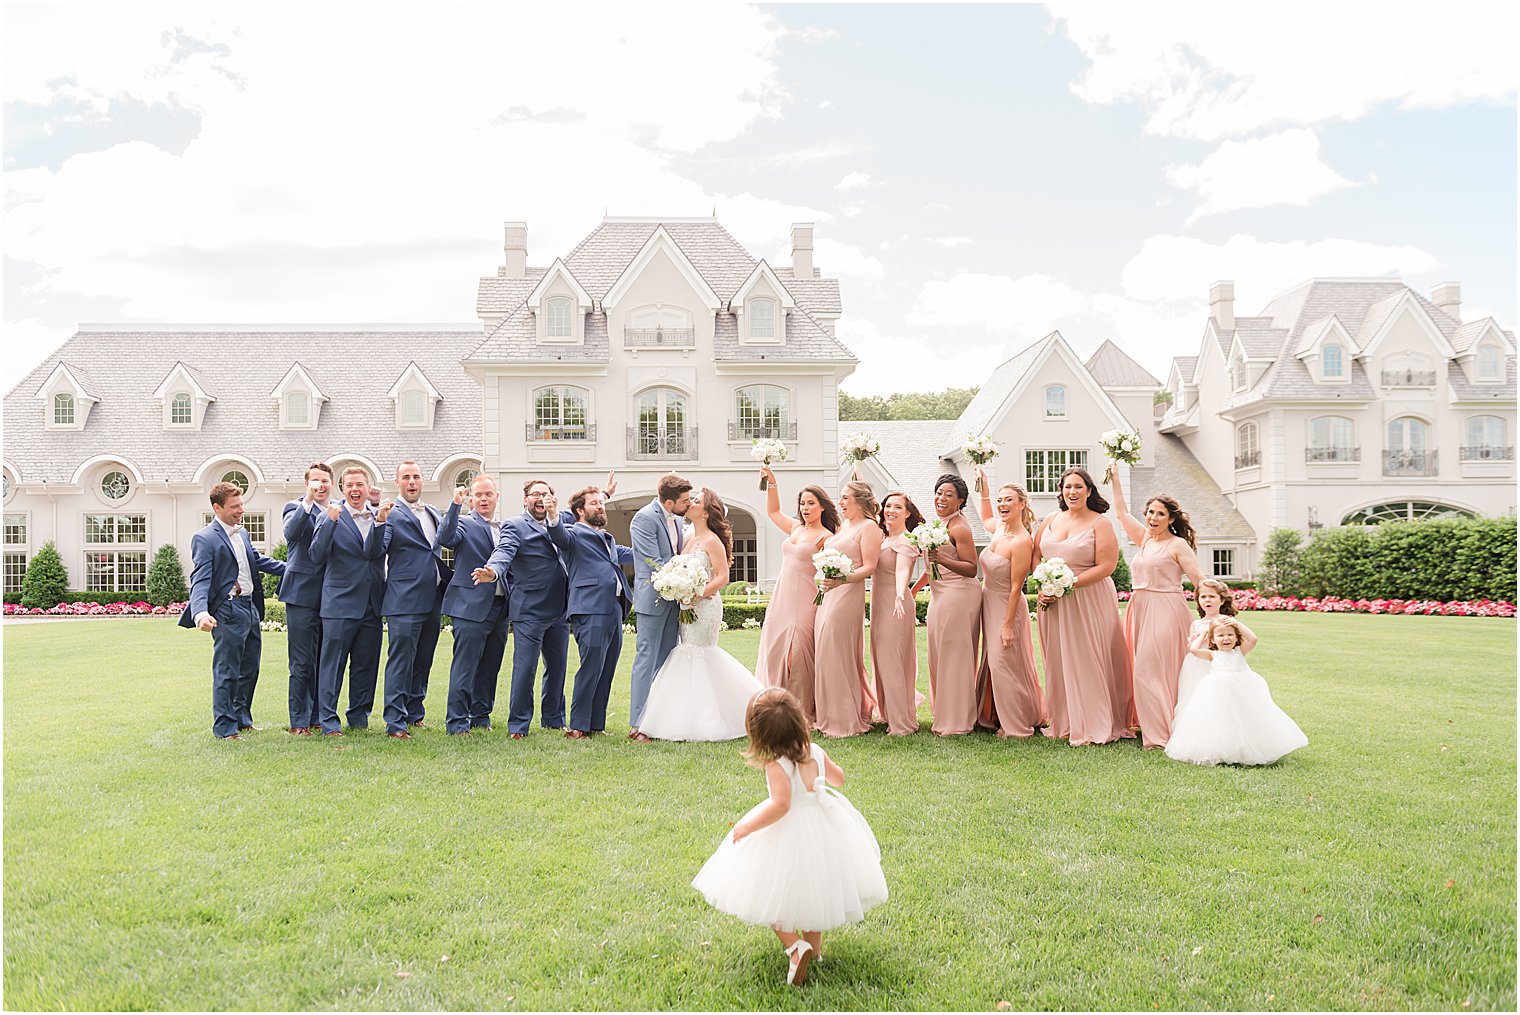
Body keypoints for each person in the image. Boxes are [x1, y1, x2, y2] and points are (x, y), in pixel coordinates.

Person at [691, 688, 888, 987]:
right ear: (799, 722)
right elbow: (840, 778)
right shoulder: (816, 752)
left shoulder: (776, 767)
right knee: (817, 890)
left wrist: (746, 827)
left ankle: (796, 948)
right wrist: (821, 777)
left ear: (762, 738)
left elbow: (781, 805)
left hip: (790, 833)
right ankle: (815, 950)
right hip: (823, 828)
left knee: (770, 893)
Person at [637, 488, 763, 741]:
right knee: (687, 653)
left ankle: (737, 711)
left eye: (696, 501)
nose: (691, 503)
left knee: (701, 653)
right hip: (687, 604)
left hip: (705, 606)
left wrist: (698, 594)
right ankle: (684, 719)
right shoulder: (688, 537)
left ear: (706, 512)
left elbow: (724, 576)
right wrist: (679, 589)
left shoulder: (712, 540)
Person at [1032, 467, 1135, 746]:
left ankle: (1094, 722)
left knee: (1088, 657)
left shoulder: (1100, 523)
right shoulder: (1050, 519)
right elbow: (1036, 554)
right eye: (1067, 487)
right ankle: (1065, 721)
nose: (1072, 492)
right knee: (1058, 659)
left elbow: (1107, 566)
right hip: (1053, 602)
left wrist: (1068, 583)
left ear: (1089, 491)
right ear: (1061, 491)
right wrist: (1044, 586)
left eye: (1078, 487)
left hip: (1088, 598)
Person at [180, 481, 287, 739]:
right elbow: (201, 579)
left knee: (250, 668)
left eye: (241, 504)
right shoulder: (204, 538)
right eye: (234, 506)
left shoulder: (242, 532)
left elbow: (257, 560)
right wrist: (201, 613)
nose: (241, 510)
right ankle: (224, 728)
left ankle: (242, 719)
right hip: (227, 610)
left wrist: (293, 568)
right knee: (227, 671)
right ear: (217, 508)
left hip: (250, 608)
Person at [1107, 468, 1204, 749]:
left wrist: (1215, 612)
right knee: (1147, 669)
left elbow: (1199, 580)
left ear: (1171, 519)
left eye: (1160, 514)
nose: (1153, 518)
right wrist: (1115, 478)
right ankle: (1161, 725)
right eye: (1150, 512)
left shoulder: (1178, 545)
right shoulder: (1146, 539)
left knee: (1151, 670)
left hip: (1167, 608)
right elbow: (1122, 513)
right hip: (1140, 609)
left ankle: (1160, 735)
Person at [473, 479, 571, 739]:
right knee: (525, 669)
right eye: (535, 494)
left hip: (560, 608)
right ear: (525, 499)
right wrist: (493, 571)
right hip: (530, 609)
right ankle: (518, 725)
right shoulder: (515, 525)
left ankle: (553, 719)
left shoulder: (561, 521)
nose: (540, 498)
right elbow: (504, 551)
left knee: (558, 667)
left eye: (546, 493)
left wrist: (604, 494)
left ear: (553, 498)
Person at [545, 473, 634, 738]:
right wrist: (551, 514)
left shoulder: (608, 539)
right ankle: (577, 726)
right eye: (594, 503)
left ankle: (596, 724)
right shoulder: (573, 534)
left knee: (607, 668)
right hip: (589, 608)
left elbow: (635, 554)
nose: (601, 507)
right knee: (590, 667)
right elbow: (557, 533)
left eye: (602, 503)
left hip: (614, 609)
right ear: (579, 511)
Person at [754, 467, 838, 726]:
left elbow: (834, 569)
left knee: (798, 652)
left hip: (805, 599)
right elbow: (772, 512)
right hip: (782, 597)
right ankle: (772, 707)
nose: (805, 508)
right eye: (802, 503)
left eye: (811, 503)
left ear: (822, 507)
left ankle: (800, 710)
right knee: (775, 646)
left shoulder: (828, 537)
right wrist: (772, 483)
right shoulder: (795, 528)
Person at [310, 466, 389, 736]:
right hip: (340, 604)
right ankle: (329, 722)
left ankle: (359, 717)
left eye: (360, 484)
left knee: (366, 665)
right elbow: (317, 555)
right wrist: (330, 522)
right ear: (342, 489)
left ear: (369, 488)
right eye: (350, 485)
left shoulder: (379, 517)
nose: (355, 489)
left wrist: (380, 523)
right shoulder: (330, 515)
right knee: (333, 666)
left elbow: (375, 552)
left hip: (372, 603)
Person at [1165, 617, 1307, 766]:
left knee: (1244, 717)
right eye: (1220, 635)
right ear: (1213, 640)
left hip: (1241, 689)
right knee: (1222, 719)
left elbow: (1253, 639)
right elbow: (1193, 649)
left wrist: (1236, 624)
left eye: (1230, 634)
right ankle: (1223, 748)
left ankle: (1248, 747)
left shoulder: (1239, 651)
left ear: (1236, 637)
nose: (1226, 638)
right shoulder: (1211, 654)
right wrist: (1203, 634)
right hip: (1218, 691)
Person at [378, 460, 450, 738]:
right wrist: (379, 521)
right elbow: (378, 548)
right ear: (397, 482)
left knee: (423, 659)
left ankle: (414, 712)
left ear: (422, 481)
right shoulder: (390, 513)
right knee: (401, 660)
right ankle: (395, 722)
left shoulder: (432, 512)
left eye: (416, 477)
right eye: (406, 477)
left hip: (433, 596)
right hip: (404, 598)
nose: (412, 482)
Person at [972, 472, 1048, 737]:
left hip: (1008, 607)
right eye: (1000, 500)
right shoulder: (999, 529)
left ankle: (1015, 723)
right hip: (989, 602)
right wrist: (984, 487)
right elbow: (985, 518)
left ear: (1022, 504)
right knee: (994, 661)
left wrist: (1007, 625)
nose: (1003, 505)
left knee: (1004, 663)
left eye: (1009, 501)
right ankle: (995, 713)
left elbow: (1018, 587)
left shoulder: (1021, 541)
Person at [438, 476, 510, 734]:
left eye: (488, 494)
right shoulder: (465, 523)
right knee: (465, 667)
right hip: (470, 607)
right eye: (478, 495)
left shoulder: (504, 528)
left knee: (491, 666)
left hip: (501, 607)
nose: (483, 499)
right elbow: (445, 537)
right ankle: (457, 722)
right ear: (471, 499)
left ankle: (481, 716)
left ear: (496, 496)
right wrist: (455, 506)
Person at [626, 473, 692, 741]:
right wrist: (685, 579)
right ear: (668, 502)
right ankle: (638, 723)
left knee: (666, 660)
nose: (688, 504)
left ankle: (660, 720)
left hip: (674, 599)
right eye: (684, 500)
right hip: (653, 598)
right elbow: (653, 560)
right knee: (646, 658)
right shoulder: (643, 518)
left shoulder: (676, 520)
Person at [813, 480, 881, 738]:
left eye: (844, 498)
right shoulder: (843, 527)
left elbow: (869, 567)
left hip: (847, 594)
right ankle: (829, 714)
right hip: (828, 593)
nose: (840, 503)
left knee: (836, 651)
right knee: (825, 651)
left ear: (859, 501)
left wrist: (843, 579)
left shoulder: (869, 528)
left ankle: (845, 719)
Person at [916, 473, 981, 736]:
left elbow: (971, 568)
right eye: (939, 493)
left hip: (959, 595)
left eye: (949, 495)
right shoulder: (938, 525)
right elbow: (932, 562)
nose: (941, 498)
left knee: (955, 657)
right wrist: (914, 589)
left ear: (961, 501)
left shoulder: (959, 528)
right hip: (940, 595)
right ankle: (943, 713)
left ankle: (957, 721)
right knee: (939, 656)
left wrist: (941, 559)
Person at [277, 461, 333, 735]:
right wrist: (308, 501)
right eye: (315, 481)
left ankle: (319, 717)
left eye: (324, 481)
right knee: (301, 660)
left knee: (324, 659)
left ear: (332, 484)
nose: (320, 486)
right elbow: (291, 532)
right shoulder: (295, 507)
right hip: (301, 594)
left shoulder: (338, 511)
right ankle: (299, 720)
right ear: (307, 484)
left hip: (332, 595)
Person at [872, 491, 924, 736]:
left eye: (897, 507)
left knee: (893, 660)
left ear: (908, 513)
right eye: (888, 506)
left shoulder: (906, 541)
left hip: (896, 604)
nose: (890, 510)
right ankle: (889, 713)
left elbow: (903, 570)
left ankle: (901, 723)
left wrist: (901, 594)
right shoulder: (883, 539)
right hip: (879, 603)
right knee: (881, 660)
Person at [1177, 579, 1256, 715]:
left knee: (1222, 698)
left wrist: (1234, 624)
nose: (1208, 600)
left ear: (1221, 600)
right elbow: (1191, 647)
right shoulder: (1196, 624)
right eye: (1203, 597)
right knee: (1198, 698)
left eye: (1212, 596)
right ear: (1198, 601)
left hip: (1220, 663)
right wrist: (1199, 636)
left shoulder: (1226, 620)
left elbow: (1243, 641)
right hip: (1197, 665)